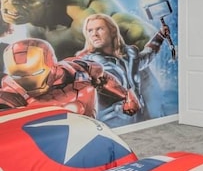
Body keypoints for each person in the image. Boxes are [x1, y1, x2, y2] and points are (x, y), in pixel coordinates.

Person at [0, 0, 151, 59]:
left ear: (47, 1)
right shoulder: (25, 13)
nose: (7, 7)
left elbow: (137, 33)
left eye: (23, 2)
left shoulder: (83, 18)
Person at [0, 38, 139, 117]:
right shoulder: (9, 94)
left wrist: (126, 96)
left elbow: (104, 79)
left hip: (91, 129)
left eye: (35, 73)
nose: (27, 79)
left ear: (51, 63)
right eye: (17, 75)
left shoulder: (80, 69)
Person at [76, 13, 169, 126]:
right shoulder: (86, 63)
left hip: (138, 120)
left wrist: (159, 37)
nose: (94, 34)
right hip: (110, 124)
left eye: (99, 29)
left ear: (113, 31)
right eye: (90, 30)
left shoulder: (129, 54)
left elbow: (146, 56)